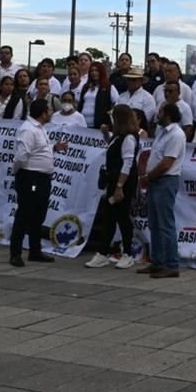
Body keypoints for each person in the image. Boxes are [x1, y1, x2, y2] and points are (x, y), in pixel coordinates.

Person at [10, 98, 68, 267]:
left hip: (42, 178)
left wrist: (54, 148)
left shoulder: (40, 128)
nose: (51, 113)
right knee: (25, 214)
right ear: (43, 113)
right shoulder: (28, 130)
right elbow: (22, 156)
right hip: (31, 177)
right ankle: (15, 253)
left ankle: (35, 250)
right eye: (49, 110)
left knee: (38, 215)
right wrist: (18, 172)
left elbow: (40, 149)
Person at [85, 105, 141, 270]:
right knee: (110, 217)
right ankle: (103, 252)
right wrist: (105, 133)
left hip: (123, 183)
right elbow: (112, 146)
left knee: (122, 218)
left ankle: (128, 253)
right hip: (114, 180)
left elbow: (128, 163)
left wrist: (119, 186)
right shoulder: (118, 137)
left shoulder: (129, 138)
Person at [142, 102, 186, 278]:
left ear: (167, 114)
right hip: (155, 181)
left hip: (165, 181)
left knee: (166, 224)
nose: (157, 115)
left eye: (160, 112)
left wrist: (149, 176)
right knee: (154, 223)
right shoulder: (161, 132)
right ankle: (157, 261)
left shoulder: (176, 134)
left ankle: (171, 264)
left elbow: (167, 162)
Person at [79, 62, 119, 129]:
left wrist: (111, 113)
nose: (94, 73)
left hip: (100, 126)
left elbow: (117, 103)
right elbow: (81, 104)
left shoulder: (109, 87)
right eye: (92, 71)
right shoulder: (85, 87)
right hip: (83, 125)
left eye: (96, 70)